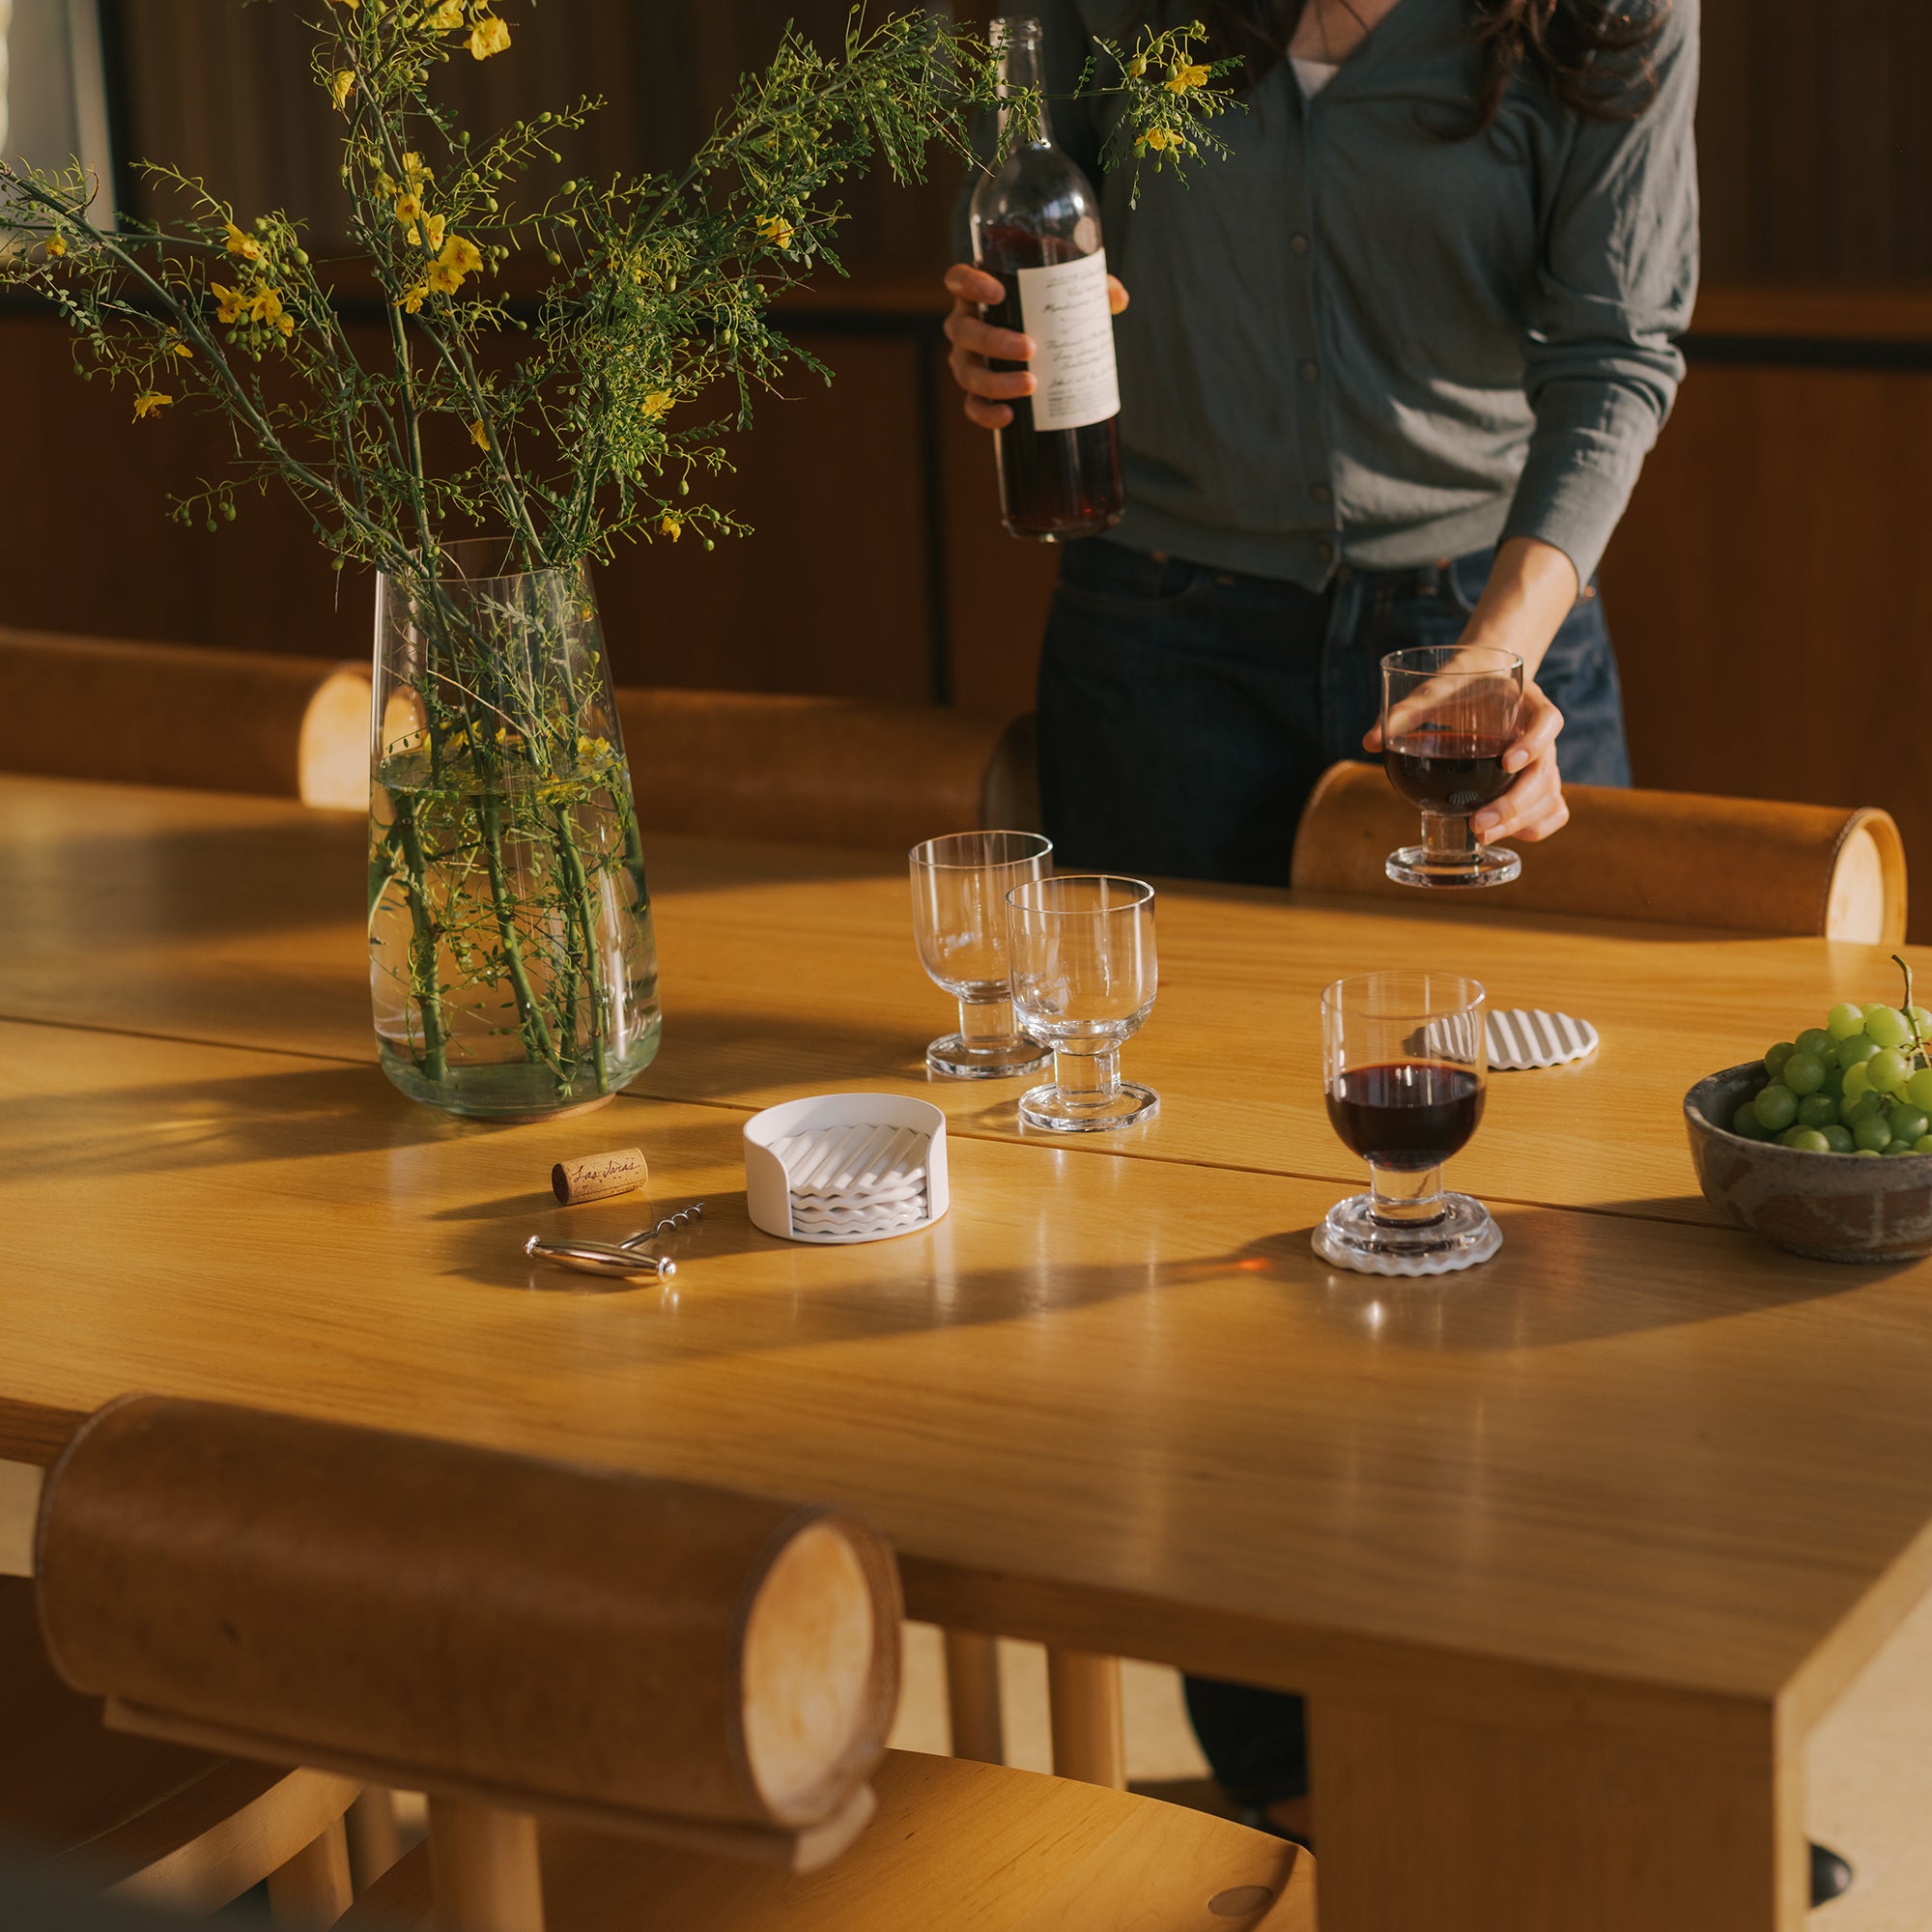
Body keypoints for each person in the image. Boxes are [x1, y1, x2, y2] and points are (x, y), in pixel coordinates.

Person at [944, 0, 1699, 888]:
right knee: (1156, 1021)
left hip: (1485, 618)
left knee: (1530, 1024)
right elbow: (1021, 214)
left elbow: (1614, 354)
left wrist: (1499, 655)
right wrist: (989, 340)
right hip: (1157, 642)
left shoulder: (1616, 11)